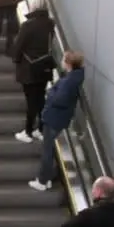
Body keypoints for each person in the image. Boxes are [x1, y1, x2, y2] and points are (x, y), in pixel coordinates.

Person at [29, 52, 85, 191]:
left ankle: (42, 181)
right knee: (49, 149)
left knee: (47, 150)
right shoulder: (75, 78)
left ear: (68, 64)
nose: (61, 61)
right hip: (60, 118)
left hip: (54, 118)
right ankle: (46, 177)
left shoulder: (68, 82)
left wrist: (50, 92)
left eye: (63, 60)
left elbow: (60, 99)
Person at [11, 0, 55, 143]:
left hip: (29, 69)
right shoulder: (50, 25)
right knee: (41, 98)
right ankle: (40, 130)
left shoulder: (27, 26)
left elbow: (18, 47)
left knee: (31, 100)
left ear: (33, 7)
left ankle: (28, 132)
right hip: (44, 68)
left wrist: (16, 60)